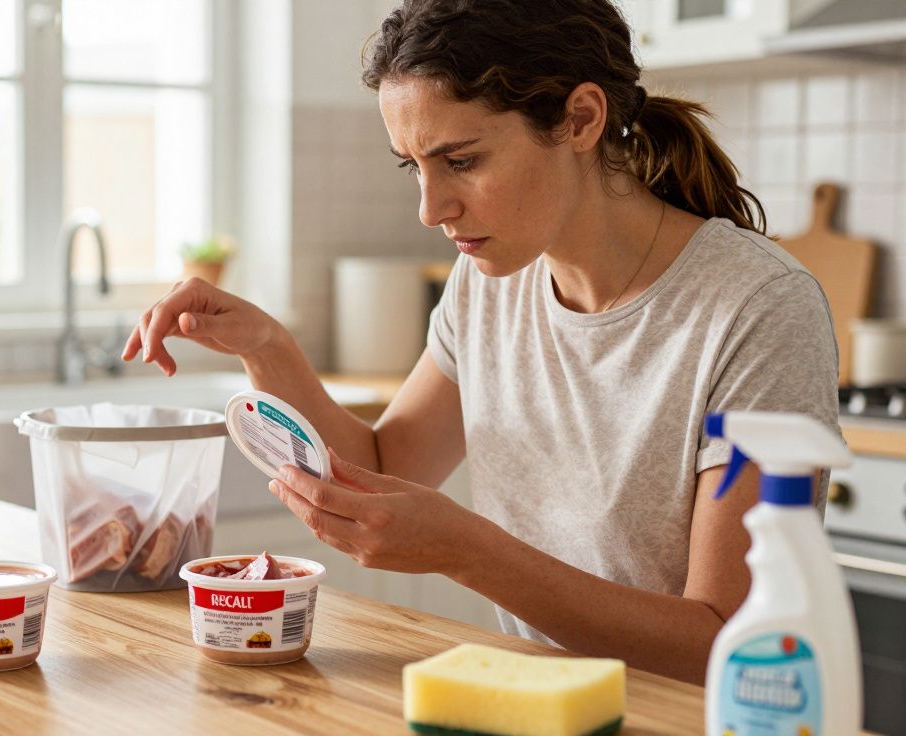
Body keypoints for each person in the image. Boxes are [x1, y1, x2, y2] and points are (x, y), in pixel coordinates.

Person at [121, 0, 839, 685]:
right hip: (537, 704)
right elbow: (382, 464)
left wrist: (467, 551)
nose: (432, 209)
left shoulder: (757, 308)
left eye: (461, 161)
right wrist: (267, 345)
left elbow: (728, 642)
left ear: (581, 119)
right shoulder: (490, 279)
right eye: (415, 166)